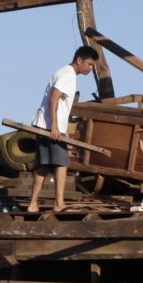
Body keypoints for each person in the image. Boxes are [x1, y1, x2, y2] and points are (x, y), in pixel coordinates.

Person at [27, 46, 99, 212]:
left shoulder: (63, 72)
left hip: (43, 125)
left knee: (43, 165)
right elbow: (54, 98)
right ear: (79, 60)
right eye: (89, 64)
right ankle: (59, 203)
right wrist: (55, 126)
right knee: (62, 163)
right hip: (52, 127)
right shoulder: (68, 75)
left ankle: (33, 204)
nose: (90, 68)